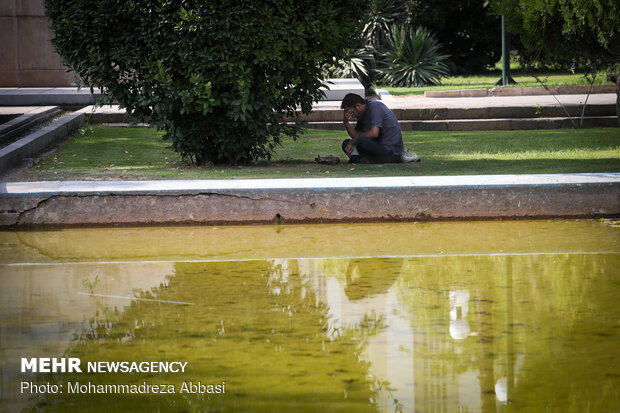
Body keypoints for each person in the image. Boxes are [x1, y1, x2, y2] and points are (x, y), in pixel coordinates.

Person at [340, 93, 419, 163]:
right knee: (346, 143)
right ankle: (362, 160)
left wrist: (354, 141)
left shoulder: (374, 107)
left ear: (358, 106)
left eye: (352, 113)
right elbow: (355, 137)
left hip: (390, 151)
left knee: (359, 140)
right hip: (376, 148)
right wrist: (346, 122)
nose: (352, 116)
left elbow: (374, 133)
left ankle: (363, 159)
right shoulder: (361, 115)